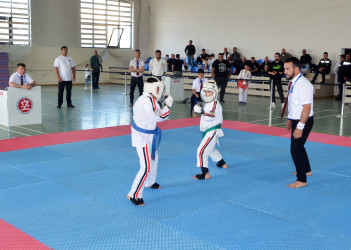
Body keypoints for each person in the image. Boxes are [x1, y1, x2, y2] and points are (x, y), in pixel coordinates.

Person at [127, 77, 173, 206]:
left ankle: (150, 182)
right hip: (143, 137)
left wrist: (163, 102)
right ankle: (134, 194)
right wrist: (168, 105)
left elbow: (155, 111)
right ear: (156, 89)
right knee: (146, 166)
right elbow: (160, 117)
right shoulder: (148, 101)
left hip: (148, 135)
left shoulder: (147, 99)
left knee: (154, 158)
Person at [283, 57, 314, 188]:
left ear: (296, 69)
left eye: (287, 69)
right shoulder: (293, 82)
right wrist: (290, 118)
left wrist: (300, 127)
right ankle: (307, 170)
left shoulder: (303, 85)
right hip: (296, 119)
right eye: (284, 69)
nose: (285, 71)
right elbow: (293, 103)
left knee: (295, 149)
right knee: (299, 147)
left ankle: (301, 179)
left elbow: (307, 107)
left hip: (303, 120)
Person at [192, 80, 228, 180]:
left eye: (210, 92)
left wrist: (202, 111)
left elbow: (210, 116)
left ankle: (205, 173)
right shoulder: (209, 102)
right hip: (209, 131)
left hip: (212, 131)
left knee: (201, 150)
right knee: (210, 149)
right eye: (206, 92)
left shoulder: (214, 103)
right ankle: (222, 164)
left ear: (215, 92)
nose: (207, 94)